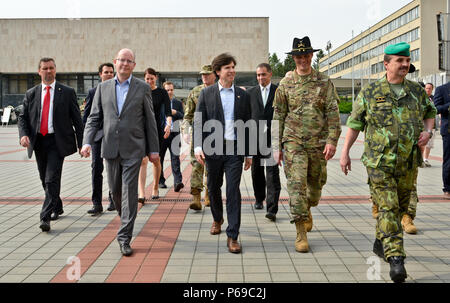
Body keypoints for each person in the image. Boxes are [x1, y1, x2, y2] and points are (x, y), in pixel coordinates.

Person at [340, 42, 436, 283]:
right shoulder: (370, 93)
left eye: (407, 60)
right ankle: (396, 259)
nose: (405, 65)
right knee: (388, 207)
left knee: (402, 208)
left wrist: (428, 132)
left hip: (408, 162)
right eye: (399, 61)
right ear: (386, 64)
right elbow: (354, 125)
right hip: (378, 162)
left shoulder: (416, 91)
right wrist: (344, 154)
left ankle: (380, 241)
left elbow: (430, 113)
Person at [81, 48, 160, 256]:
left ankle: (124, 237)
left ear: (134, 65)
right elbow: (94, 118)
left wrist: (154, 150)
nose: (124, 64)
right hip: (110, 148)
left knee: (129, 192)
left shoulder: (142, 88)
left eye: (129, 61)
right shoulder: (103, 88)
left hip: (134, 148)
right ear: (115, 62)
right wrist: (87, 142)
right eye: (121, 60)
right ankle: (125, 216)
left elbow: (150, 121)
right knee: (116, 192)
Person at [271, 37, 341, 253]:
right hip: (293, 143)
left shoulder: (324, 82)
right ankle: (300, 231)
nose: (302, 59)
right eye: (298, 56)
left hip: (318, 144)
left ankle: (309, 208)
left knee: (314, 189)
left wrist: (332, 140)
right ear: (294, 58)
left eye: (306, 55)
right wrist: (276, 146)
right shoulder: (285, 83)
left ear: (311, 56)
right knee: (296, 187)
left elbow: (332, 112)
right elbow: (278, 114)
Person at [193, 53, 252, 254]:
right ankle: (217, 218)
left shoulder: (243, 95)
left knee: (233, 190)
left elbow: (248, 123)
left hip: (235, 149)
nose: (232, 70)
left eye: (233, 66)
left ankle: (233, 235)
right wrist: (197, 147)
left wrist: (249, 152)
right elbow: (199, 120)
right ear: (218, 72)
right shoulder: (206, 94)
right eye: (227, 67)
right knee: (212, 187)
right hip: (213, 148)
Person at [18, 57, 84, 232]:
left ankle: (45, 217)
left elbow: (77, 120)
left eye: (51, 68)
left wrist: (82, 143)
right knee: (44, 178)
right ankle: (57, 204)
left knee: (51, 178)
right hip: (39, 141)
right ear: (39, 71)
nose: (48, 71)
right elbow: (22, 117)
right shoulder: (31, 93)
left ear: (56, 70)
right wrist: (24, 135)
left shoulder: (67, 92)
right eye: (45, 68)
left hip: (57, 141)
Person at [247, 63, 281, 221]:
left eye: (263, 74)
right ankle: (259, 198)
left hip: (273, 138)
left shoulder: (278, 91)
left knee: (272, 173)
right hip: (255, 138)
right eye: (258, 75)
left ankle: (272, 209)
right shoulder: (250, 93)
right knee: (256, 171)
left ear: (270, 74)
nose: (260, 78)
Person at [181, 65, 216, 210]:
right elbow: (188, 115)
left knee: (212, 166)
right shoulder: (195, 92)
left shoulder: (219, 91)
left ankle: (209, 194)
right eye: (202, 74)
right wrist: (185, 130)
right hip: (198, 133)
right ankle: (196, 198)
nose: (204, 77)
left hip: (215, 133)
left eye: (207, 74)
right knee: (196, 165)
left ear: (214, 75)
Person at [83, 63, 116, 215]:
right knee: (96, 168)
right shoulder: (93, 92)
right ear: (100, 74)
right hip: (97, 136)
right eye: (106, 72)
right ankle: (97, 203)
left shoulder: (118, 91)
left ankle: (113, 199)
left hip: (113, 136)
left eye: (111, 72)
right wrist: (85, 141)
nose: (109, 74)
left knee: (114, 168)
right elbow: (88, 117)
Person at [137, 68, 172, 202]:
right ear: (144, 79)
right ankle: (141, 193)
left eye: (152, 78)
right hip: (141, 129)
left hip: (157, 129)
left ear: (156, 78)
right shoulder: (140, 91)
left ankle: (155, 187)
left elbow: (168, 112)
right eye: (147, 79)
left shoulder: (162, 93)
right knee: (142, 160)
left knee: (156, 160)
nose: (150, 81)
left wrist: (168, 125)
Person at [160, 81, 184, 192]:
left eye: (171, 90)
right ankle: (161, 181)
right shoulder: (159, 102)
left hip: (175, 134)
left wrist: (176, 113)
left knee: (175, 158)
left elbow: (183, 117)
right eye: (167, 90)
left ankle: (177, 182)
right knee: (160, 158)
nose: (169, 92)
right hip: (162, 134)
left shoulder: (178, 103)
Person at [433, 81, 450, 199]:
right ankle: (448, 188)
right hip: (449, 130)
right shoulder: (442, 89)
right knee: (449, 161)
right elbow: (436, 108)